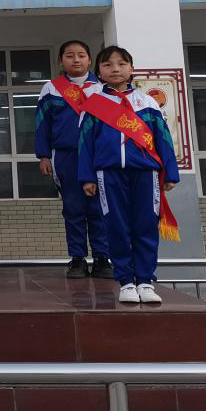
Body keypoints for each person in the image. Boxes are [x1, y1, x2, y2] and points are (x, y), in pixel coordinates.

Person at [77, 46, 180, 304]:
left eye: (122, 64)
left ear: (131, 69)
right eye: (108, 65)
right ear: (98, 71)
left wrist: (170, 172)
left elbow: (164, 139)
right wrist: (87, 176)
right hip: (108, 173)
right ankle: (125, 282)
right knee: (116, 226)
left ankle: (145, 280)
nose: (115, 69)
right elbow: (84, 144)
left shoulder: (148, 103)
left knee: (146, 225)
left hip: (145, 173)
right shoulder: (92, 105)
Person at [35, 40, 111, 279]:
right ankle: (77, 259)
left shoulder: (103, 88)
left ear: (90, 60)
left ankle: (102, 258)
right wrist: (43, 155)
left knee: (99, 207)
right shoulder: (51, 88)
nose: (76, 60)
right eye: (69, 55)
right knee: (73, 207)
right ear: (61, 61)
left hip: (98, 156)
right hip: (65, 156)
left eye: (81, 55)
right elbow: (42, 124)